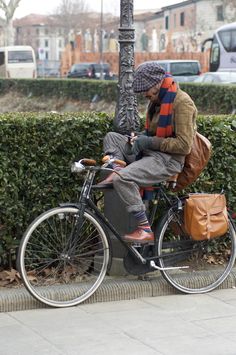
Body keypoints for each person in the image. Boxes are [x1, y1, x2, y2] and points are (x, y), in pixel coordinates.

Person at [98, 62, 197, 244]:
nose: (145, 95)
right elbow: (154, 132)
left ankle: (144, 228)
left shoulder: (182, 103)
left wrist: (148, 141)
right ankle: (114, 167)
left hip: (168, 161)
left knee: (123, 178)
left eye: (146, 90)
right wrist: (138, 139)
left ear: (157, 83)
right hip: (152, 152)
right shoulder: (158, 101)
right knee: (112, 138)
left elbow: (184, 146)